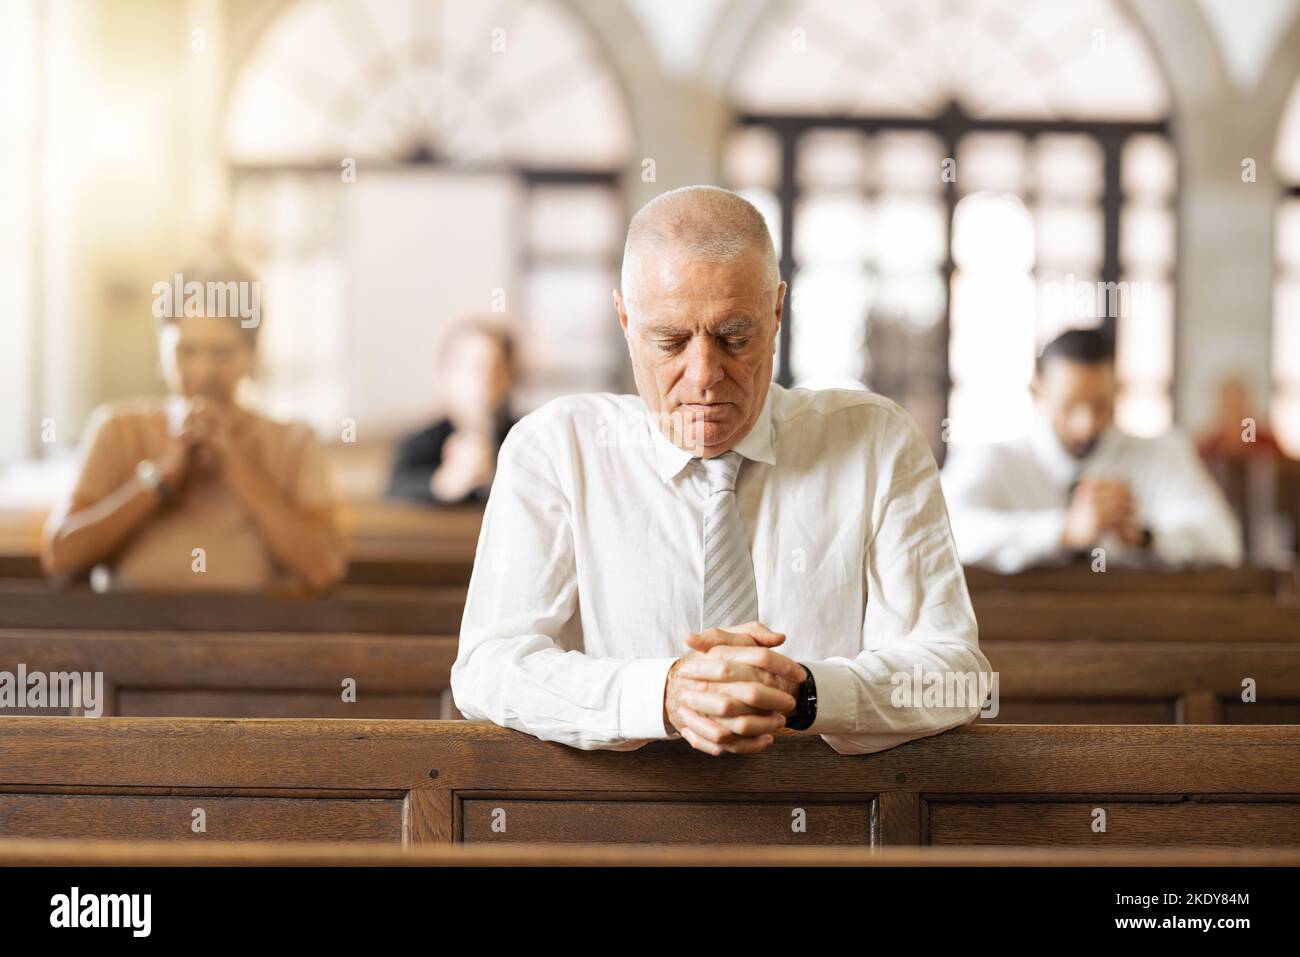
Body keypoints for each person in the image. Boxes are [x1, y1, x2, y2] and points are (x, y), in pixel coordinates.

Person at [452, 186, 991, 756]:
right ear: (625, 318)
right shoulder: (556, 451)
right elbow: (487, 668)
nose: (704, 374)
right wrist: (663, 694)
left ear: (777, 311)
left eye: (736, 337)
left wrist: (807, 694)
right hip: (615, 828)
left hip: (836, 822)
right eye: (671, 340)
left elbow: (957, 677)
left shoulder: (875, 442)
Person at [41, 260, 347, 593]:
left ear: (252, 355)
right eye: (186, 351)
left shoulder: (294, 443)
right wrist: (158, 480)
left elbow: (324, 568)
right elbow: (61, 555)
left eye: (222, 353)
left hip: (251, 641)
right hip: (128, 640)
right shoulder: (116, 430)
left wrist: (236, 468)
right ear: (161, 352)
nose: (203, 371)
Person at [941, 328, 1243, 574]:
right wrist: (1062, 530)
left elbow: (1224, 543)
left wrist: (1146, 537)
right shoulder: (993, 459)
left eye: (1101, 405)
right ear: (1039, 389)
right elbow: (944, 532)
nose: (1086, 425)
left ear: (1116, 389)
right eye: (1070, 405)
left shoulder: (1163, 455)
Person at [386, 318, 517, 505]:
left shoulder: (525, 437)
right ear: (445, 373)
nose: (483, 379)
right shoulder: (419, 443)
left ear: (508, 377)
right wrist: (442, 485)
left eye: (494, 368)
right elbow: (392, 491)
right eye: (471, 367)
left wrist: (496, 479)